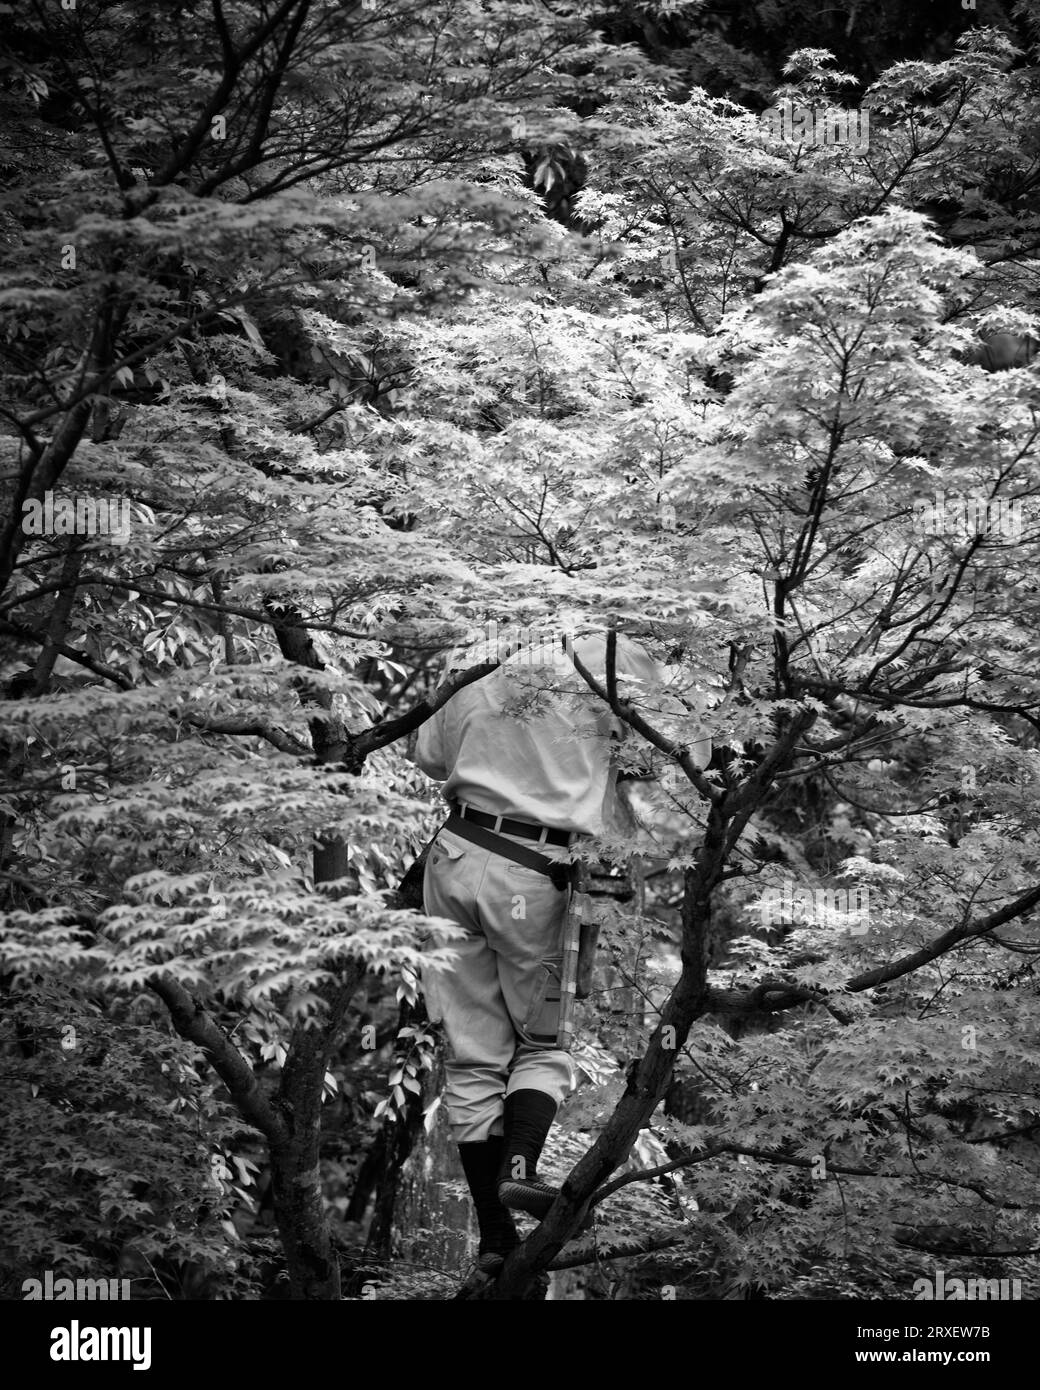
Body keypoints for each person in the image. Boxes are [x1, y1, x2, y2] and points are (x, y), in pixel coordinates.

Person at [410, 623, 710, 1273]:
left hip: (456, 857)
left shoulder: (480, 644)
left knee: (472, 1058)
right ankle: (520, 1168)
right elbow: (693, 755)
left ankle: (494, 1239)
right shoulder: (610, 653)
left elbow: (429, 754)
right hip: (536, 870)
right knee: (544, 1044)